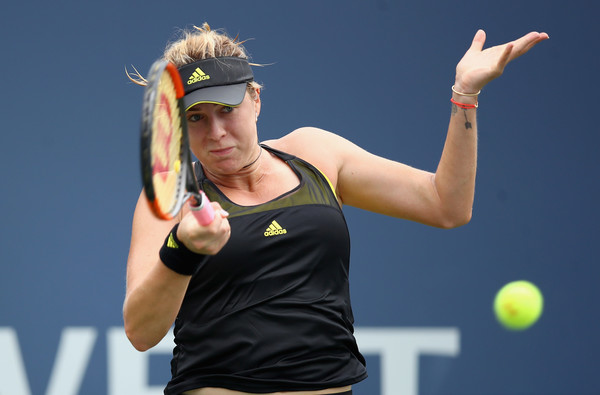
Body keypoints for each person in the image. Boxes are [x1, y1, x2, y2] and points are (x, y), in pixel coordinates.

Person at [124, 23, 548, 395]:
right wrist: (183, 248)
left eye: (226, 110)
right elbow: (141, 333)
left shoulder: (316, 153)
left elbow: (446, 205)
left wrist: (466, 94)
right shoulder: (171, 199)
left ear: (254, 98)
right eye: (196, 117)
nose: (215, 131)